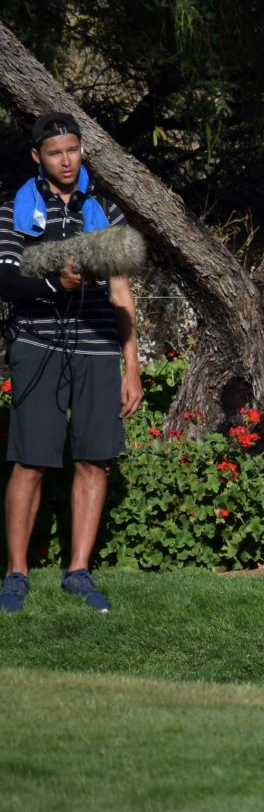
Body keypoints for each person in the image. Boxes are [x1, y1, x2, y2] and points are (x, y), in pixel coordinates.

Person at [0, 112, 141, 615]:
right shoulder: (14, 210)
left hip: (100, 348)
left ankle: (78, 571)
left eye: (74, 150)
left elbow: (122, 291)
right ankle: (16, 574)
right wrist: (54, 284)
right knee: (31, 459)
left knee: (93, 459)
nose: (66, 159)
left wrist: (132, 365)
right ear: (37, 156)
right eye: (56, 152)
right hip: (37, 346)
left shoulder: (105, 210)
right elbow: (6, 280)